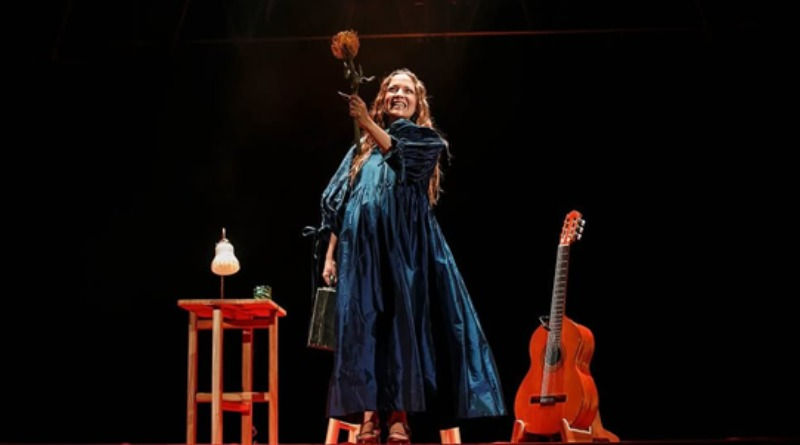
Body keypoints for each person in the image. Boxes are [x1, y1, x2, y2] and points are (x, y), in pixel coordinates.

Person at [317, 68, 507, 444]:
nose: (398, 94)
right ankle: (370, 416)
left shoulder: (424, 140)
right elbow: (341, 202)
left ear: (419, 103)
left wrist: (367, 121)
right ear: (382, 99)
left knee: (400, 327)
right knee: (365, 330)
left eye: (407, 90)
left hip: (405, 252)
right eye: (392, 89)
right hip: (362, 255)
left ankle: (399, 416)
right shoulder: (361, 150)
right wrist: (331, 255)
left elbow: (401, 159)